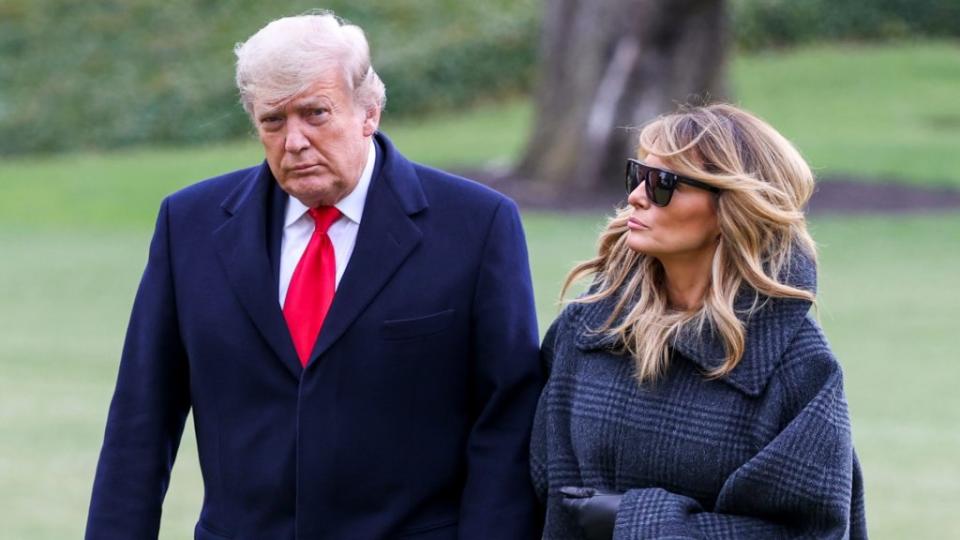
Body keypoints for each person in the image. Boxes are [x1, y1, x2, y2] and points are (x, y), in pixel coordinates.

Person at [86, 12, 543, 540]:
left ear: (369, 111)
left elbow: (507, 422)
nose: (294, 141)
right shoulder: (187, 226)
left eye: (315, 113)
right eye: (273, 121)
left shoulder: (476, 225)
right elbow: (140, 423)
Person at [530, 104, 867, 539]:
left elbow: (811, 533)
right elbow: (534, 486)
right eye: (638, 175)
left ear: (734, 207)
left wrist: (639, 522)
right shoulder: (588, 326)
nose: (636, 195)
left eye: (663, 183)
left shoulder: (797, 366)